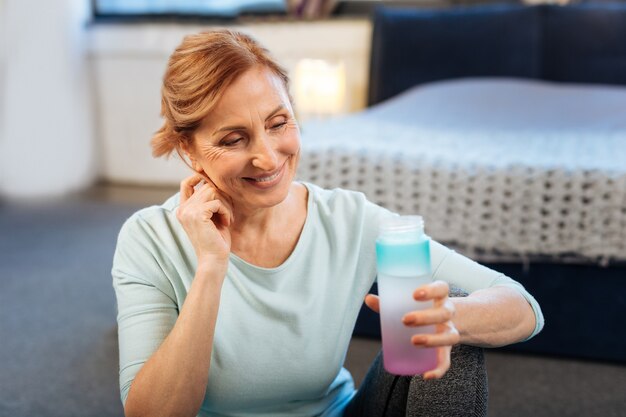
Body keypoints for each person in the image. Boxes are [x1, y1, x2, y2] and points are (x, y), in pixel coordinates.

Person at [111, 30, 544, 417]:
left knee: (448, 325)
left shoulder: (350, 220)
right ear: (189, 150)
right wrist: (210, 267)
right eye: (233, 139)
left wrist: (451, 316)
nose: (268, 157)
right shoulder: (150, 237)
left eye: (278, 123)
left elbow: (523, 308)